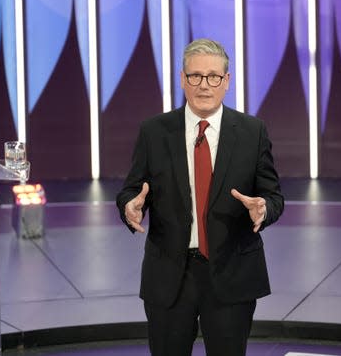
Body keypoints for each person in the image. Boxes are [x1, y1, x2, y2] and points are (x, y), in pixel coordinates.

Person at [116, 38, 284, 356]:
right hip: (169, 276)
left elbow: (273, 196)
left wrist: (263, 209)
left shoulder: (253, 132)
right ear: (182, 79)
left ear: (227, 81)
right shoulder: (154, 132)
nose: (204, 85)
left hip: (231, 273)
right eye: (195, 76)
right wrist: (130, 206)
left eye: (213, 77)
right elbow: (131, 189)